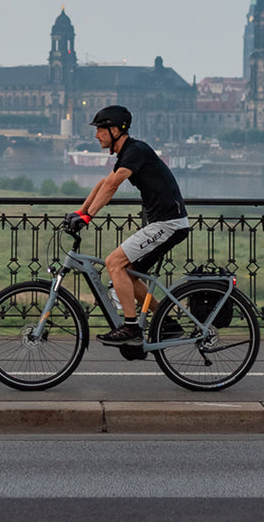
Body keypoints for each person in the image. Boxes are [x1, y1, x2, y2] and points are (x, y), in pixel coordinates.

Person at [62, 105, 191, 345]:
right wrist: (81, 211)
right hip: (164, 222)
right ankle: (168, 324)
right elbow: (105, 182)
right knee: (128, 275)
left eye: (100, 129)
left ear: (115, 130)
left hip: (168, 223)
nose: (96, 135)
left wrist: (88, 217)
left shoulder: (136, 150)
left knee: (114, 263)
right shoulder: (127, 153)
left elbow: (112, 187)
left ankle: (131, 328)